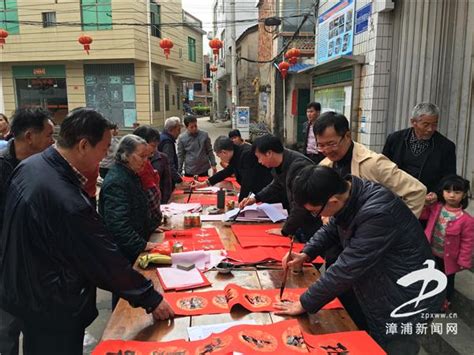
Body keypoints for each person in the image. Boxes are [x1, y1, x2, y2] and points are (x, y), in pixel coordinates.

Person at [0, 108, 174, 355]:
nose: (104, 158)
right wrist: (151, 299)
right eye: (103, 150)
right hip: (52, 305)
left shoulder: (32, 166)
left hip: (27, 292)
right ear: (83, 145)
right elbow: (102, 256)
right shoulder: (64, 198)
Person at [274, 165, 444, 354]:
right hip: (382, 284)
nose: (317, 216)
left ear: (333, 201)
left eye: (315, 211)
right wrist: (306, 253)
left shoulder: (377, 213)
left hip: (407, 299)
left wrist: (305, 302)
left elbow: (347, 267)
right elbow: (332, 228)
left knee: (392, 347)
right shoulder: (352, 194)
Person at [0, 107, 54, 355]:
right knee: (7, 331)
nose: (52, 142)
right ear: (30, 137)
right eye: (48, 135)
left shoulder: (44, 166)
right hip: (6, 266)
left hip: (36, 267)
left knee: (38, 331)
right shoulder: (3, 167)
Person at [315, 111, 426, 218]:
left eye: (331, 144)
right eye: (321, 145)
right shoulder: (324, 166)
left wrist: (397, 229)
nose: (327, 150)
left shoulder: (373, 163)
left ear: (347, 136)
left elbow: (416, 191)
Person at [239, 134, 319, 242]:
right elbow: (276, 184)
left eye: (259, 157)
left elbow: (300, 204)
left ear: (269, 153)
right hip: (299, 220)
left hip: (312, 221)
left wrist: (285, 231)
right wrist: (255, 198)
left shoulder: (298, 167)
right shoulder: (280, 163)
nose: (259, 162)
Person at [99, 135, 161, 264]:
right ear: (125, 155)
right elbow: (118, 225)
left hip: (134, 244)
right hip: (124, 254)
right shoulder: (117, 181)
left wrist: (150, 227)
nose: (146, 161)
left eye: (147, 157)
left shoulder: (131, 174)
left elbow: (138, 208)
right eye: (141, 156)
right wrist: (141, 245)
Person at [382, 102, 456, 204]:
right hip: (395, 198)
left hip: (426, 202)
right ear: (413, 122)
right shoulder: (395, 139)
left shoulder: (446, 146)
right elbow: (383, 168)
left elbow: (449, 177)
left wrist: (437, 193)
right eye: (426, 124)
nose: (430, 129)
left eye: (434, 124)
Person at [421, 175, 474, 309]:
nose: (452, 195)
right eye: (448, 191)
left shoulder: (466, 220)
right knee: (431, 275)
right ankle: (429, 296)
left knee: (447, 279)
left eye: (457, 192)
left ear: (463, 195)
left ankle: (445, 300)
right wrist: (425, 202)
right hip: (431, 251)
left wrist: (463, 260)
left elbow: (467, 242)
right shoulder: (436, 208)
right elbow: (422, 214)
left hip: (449, 258)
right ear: (442, 192)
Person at [191, 136, 273, 201]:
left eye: (219, 156)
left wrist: (241, 203)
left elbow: (246, 181)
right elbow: (225, 172)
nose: (220, 159)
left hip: (268, 191)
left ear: (224, 152)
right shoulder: (236, 154)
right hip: (259, 192)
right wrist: (203, 184)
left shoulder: (245, 154)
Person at [134, 125, 173, 204]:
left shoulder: (162, 158)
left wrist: (162, 204)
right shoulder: (132, 163)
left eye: (156, 146)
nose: (155, 149)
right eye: (153, 146)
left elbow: (167, 186)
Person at [159, 116, 183, 187]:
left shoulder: (163, 137)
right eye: (178, 130)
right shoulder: (167, 142)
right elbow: (169, 163)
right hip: (165, 180)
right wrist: (179, 180)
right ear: (172, 129)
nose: (180, 133)